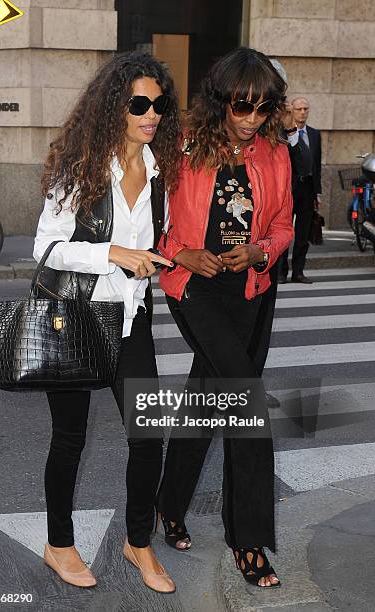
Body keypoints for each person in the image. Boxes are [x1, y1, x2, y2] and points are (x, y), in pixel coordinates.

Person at [33, 51, 181, 593]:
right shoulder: (82, 168)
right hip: (74, 314)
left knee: (149, 436)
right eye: (139, 103)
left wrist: (165, 256)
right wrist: (113, 253)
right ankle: (59, 543)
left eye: (159, 104)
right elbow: (47, 249)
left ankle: (137, 541)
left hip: (131, 315)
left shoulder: (161, 169)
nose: (152, 114)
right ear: (114, 106)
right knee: (69, 437)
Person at [156, 47, 294, 588]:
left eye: (261, 110)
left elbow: (283, 222)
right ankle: (249, 540)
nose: (251, 120)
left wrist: (262, 250)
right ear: (221, 102)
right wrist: (180, 252)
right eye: (241, 107)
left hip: (252, 288)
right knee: (245, 404)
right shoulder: (182, 148)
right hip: (196, 287)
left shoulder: (274, 153)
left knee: (206, 396)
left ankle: (170, 504)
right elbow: (149, 222)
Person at [278, 97, 322, 283]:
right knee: (284, 232)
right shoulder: (283, 133)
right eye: (298, 109)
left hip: (307, 189)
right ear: (292, 111)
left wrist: (316, 193)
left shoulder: (314, 134)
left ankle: (298, 271)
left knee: (303, 233)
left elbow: (317, 165)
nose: (302, 112)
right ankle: (281, 273)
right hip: (289, 189)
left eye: (305, 109)